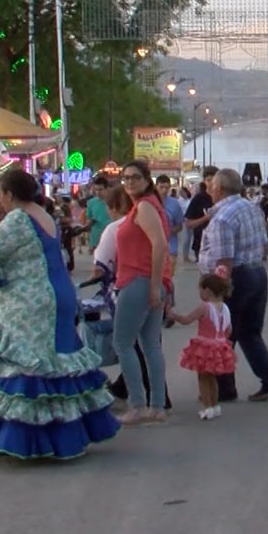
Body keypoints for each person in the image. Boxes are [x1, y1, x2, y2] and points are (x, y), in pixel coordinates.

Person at [0, 168, 119, 459]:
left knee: (25, 366)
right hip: (61, 294)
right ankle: (67, 437)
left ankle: (28, 440)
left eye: (0, 193)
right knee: (58, 363)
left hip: (30, 302)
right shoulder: (46, 216)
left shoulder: (18, 218)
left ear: (8, 193)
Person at [201, 168, 268, 403]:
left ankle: (225, 387)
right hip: (256, 272)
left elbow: (224, 260)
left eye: (211, 186)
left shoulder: (223, 218)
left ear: (219, 189)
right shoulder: (251, 208)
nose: (209, 190)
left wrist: (218, 290)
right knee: (249, 332)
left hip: (236, 276)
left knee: (223, 332)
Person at [110, 160, 172, 425]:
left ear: (147, 180)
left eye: (135, 177)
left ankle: (137, 404)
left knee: (123, 343)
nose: (130, 182)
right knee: (150, 345)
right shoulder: (146, 206)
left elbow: (159, 246)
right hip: (148, 280)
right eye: (125, 178)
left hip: (139, 280)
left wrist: (154, 285)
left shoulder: (145, 207)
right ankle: (156, 405)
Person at [173, 273, 236, 420]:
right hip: (220, 344)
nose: (200, 293)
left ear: (207, 290)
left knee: (203, 378)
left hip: (205, 346)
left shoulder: (205, 307)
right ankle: (215, 405)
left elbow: (187, 320)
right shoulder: (225, 308)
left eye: (201, 290)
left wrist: (174, 316)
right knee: (213, 378)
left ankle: (207, 406)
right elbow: (229, 330)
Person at [183, 166, 217, 263]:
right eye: (208, 180)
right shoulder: (199, 198)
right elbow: (188, 224)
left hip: (221, 244)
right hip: (201, 245)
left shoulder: (222, 197)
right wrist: (205, 218)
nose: (211, 183)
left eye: (214, 180)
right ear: (204, 181)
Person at [156, 174, 188, 265]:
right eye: (161, 187)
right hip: (152, 248)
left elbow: (180, 225)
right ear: (156, 187)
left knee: (169, 276)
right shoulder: (149, 202)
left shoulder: (174, 203)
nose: (164, 190)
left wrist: (169, 231)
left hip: (170, 248)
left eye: (166, 187)